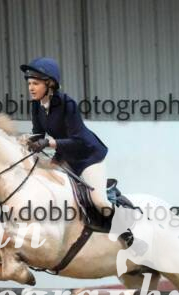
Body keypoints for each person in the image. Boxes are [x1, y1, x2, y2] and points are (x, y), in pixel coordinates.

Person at [20, 57, 112, 215]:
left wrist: (48, 143)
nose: (31, 88)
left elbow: (78, 141)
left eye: (35, 84)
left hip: (88, 157)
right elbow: (38, 134)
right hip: (65, 157)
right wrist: (24, 141)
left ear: (49, 84)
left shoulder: (67, 104)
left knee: (100, 202)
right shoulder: (36, 105)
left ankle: (123, 225)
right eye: (29, 84)